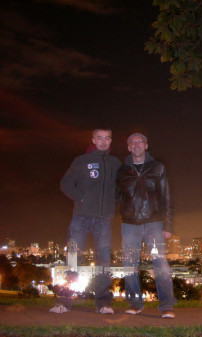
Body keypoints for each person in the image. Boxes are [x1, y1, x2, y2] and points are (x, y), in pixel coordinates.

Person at [50, 129, 121, 314]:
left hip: (103, 219)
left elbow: (123, 186)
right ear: (93, 140)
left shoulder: (115, 163)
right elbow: (65, 183)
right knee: (73, 259)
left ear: (111, 141)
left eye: (107, 138)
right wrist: (81, 198)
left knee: (103, 261)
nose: (103, 141)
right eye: (99, 138)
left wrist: (115, 201)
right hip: (81, 216)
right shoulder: (81, 160)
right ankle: (63, 302)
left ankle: (103, 304)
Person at [116, 132, 176, 318]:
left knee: (160, 263)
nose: (136, 145)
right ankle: (135, 303)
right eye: (132, 142)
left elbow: (166, 196)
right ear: (128, 147)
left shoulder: (158, 167)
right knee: (129, 264)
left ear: (146, 145)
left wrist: (168, 225)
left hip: (153, 224)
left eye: (140, 141)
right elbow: (117, 196)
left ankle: (166, 305)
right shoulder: (122, 170)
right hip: (130, 225)